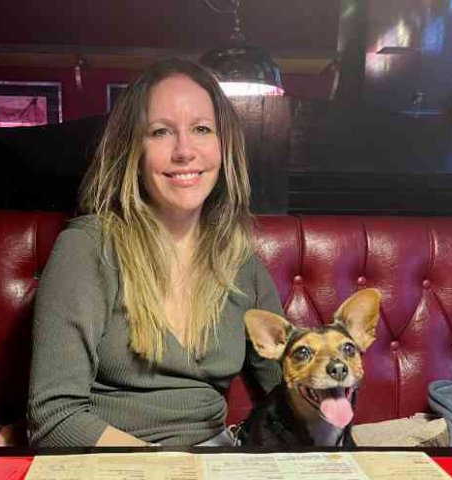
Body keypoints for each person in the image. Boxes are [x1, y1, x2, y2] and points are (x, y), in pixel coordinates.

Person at [27, 58, 284, 447]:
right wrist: (167, 470)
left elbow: (287, 389)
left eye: (201, 129)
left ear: (223, 146)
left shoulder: (240, 260)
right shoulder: (89, 246)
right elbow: (53, 419)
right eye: (161, 132)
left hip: (218, 460)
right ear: (133, 149)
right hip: (115, 462)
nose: (184, 151)